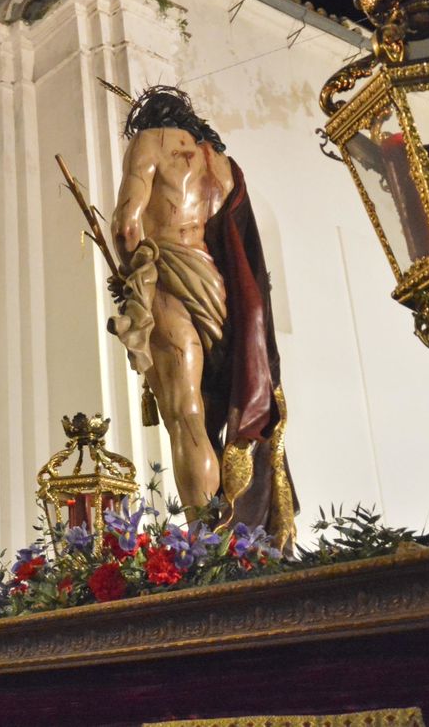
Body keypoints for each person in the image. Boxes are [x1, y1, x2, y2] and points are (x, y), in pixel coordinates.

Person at [108, 85, 296, 551]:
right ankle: (231, 535)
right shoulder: (225, 166)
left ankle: (207, 548)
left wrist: (128, 276)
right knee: (210, 413)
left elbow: (126, 224)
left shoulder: (150, 142)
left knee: (186, 414)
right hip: (218, 293)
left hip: (168, 277)